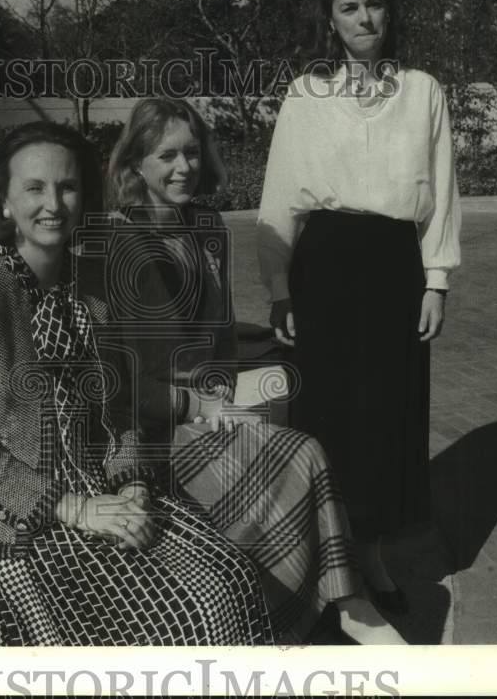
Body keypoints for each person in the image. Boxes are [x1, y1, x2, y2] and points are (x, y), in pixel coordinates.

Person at [0, 120, 273, 645]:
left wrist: (133, 483)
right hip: (16, 514)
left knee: (228, 580)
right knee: (161, 620)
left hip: (101, 489)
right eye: (35, 188)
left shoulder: (90, 285)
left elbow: (118, 409)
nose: (54, 204)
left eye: (67, 187)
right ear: (3, 204)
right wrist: (76, 509)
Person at [106, 97, 405, 644]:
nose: (183, 167)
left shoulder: (204, 222)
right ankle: (332, 607)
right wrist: (207, 403)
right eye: (166, 155)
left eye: (192, 152)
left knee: (313, 396)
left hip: (210, 397)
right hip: (157, 429)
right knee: (303, 453)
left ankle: (339, 599)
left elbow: (212, 332)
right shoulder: (124, 241)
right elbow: (128, 387)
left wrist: (262, 347)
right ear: (135, 164)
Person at [256, 0, 461, 615]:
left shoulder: (424, 91)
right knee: (327, 416)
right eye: (349, 7)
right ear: (332, 20)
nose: (364, 16)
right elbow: (281, 197)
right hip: (326, 268)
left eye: (373, 3)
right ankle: (319, 557)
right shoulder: (305, 95)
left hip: (394, 267)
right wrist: (279, 288)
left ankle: (369, 552)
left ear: (389, 10)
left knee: (386, 417)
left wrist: (436, 279)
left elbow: (443, 193)